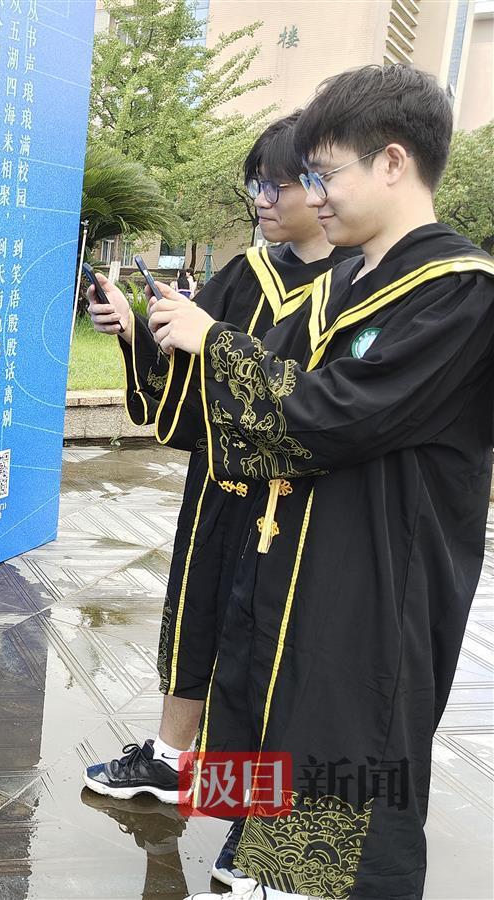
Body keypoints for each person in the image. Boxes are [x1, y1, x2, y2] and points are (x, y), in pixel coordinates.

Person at [147, 65, 494, 900]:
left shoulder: (459, 294)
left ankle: (314, 882)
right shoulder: (345, 279)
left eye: (322, 173)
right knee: (270, 699)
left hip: (373, 572)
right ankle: (264, 858)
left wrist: (215, 342)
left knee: (345, 724)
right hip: (288, 553)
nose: (312, 195)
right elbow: (270, 393)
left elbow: (335, 413)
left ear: (392, 162)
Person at [80, 112, 358, 887]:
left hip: (297, 507)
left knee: (269, 655)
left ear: (320, 186)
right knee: (195, 618)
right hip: (219, 490)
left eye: (277, 185)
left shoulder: (358, 287)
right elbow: (188, 384)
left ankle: (261, 824)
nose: (261, 200)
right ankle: (174, 762)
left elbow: (325, 405)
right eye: (254, 185)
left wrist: (214, 341)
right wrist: (137, 332)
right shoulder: (247, 274)